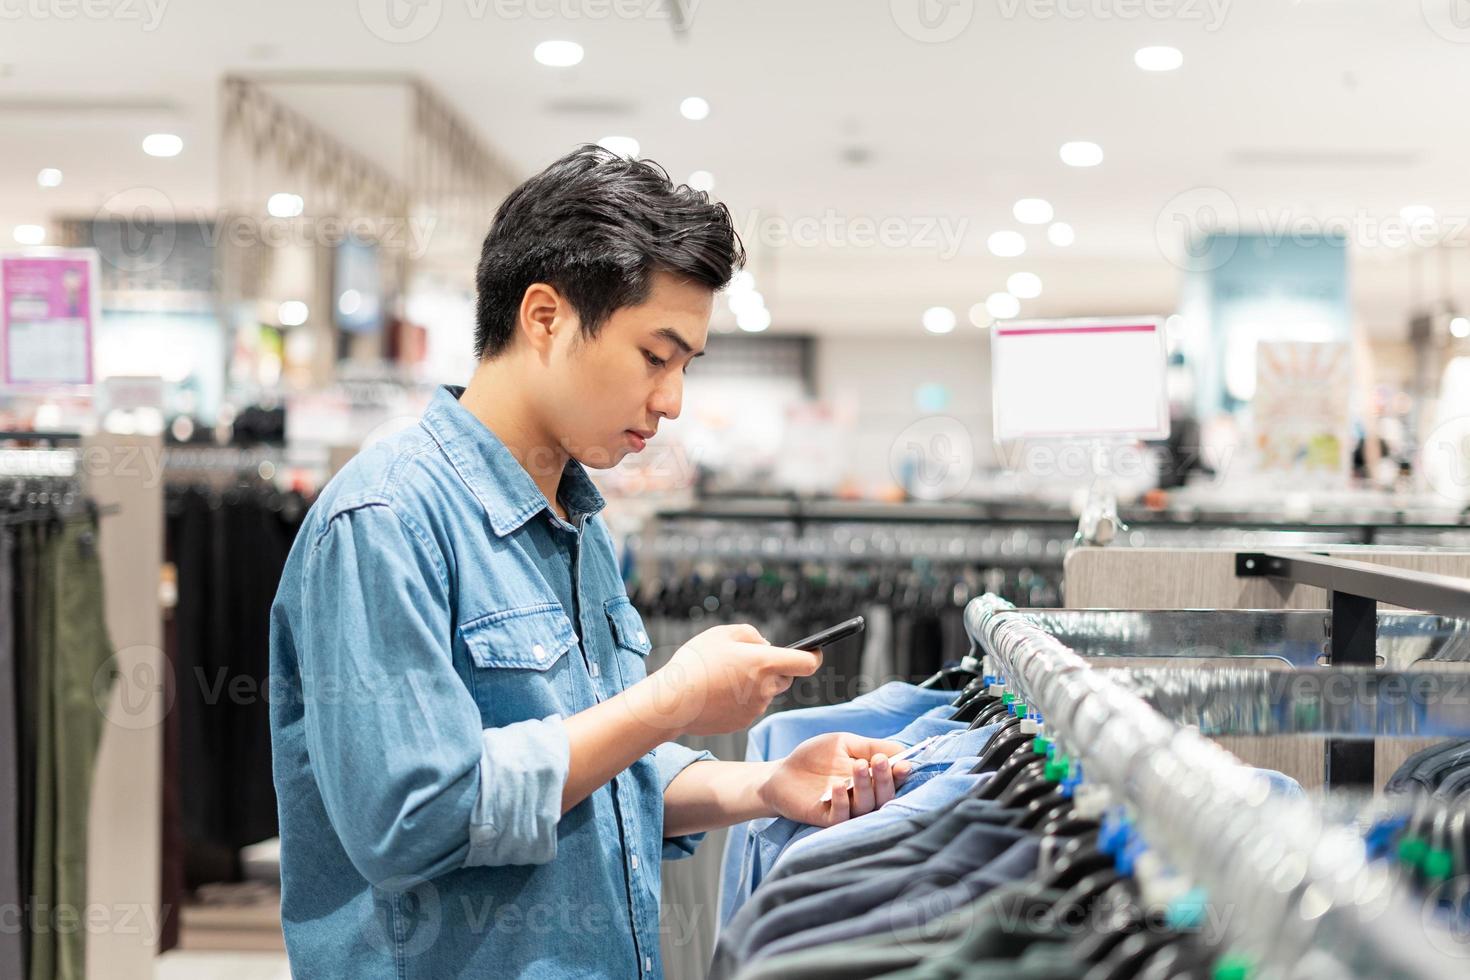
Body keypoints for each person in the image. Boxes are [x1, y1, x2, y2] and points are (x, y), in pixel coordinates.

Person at [268, 146, 911, 979]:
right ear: (545, 318)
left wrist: (762, 785)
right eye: (655, 356)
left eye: (685, 365)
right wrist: (670, 700)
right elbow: (414, 819)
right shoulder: (386, 519)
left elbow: (599, 776)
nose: (672, 400)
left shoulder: (577, 520)